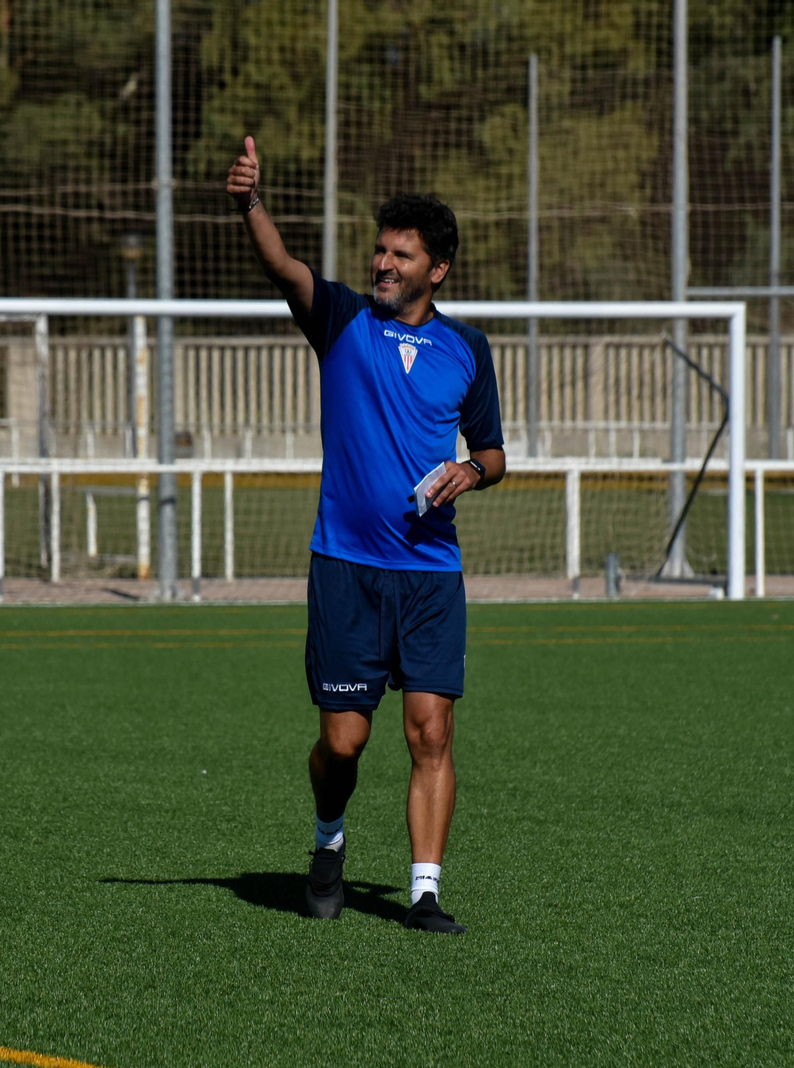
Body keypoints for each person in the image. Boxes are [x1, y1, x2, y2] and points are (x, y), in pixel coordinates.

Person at [226, 136, 506, 935]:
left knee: (432, 730)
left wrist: (471, 473)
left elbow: (491, 450)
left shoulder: (468, 350)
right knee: (342, 746)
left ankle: (423, 892)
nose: (383, 263)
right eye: (380, 250)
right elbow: (283, 266)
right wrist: (249, 201)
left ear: (437, 270)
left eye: (401, 255)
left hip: (429, 574)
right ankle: (328, 840)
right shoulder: (343, 319)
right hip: (346, 568)